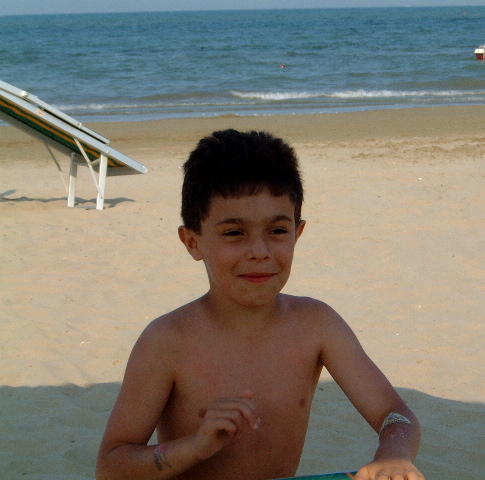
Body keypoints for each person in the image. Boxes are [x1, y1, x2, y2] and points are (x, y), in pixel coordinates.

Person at [96, 129, 425, 480]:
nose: (259, 251)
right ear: (193, 242)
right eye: (234, 233)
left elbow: (395, 415)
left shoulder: (316, 325)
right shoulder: (167, 341)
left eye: (277, 231)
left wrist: (394, 456)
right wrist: (195, 446)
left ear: (297, 233)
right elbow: (111, 466)